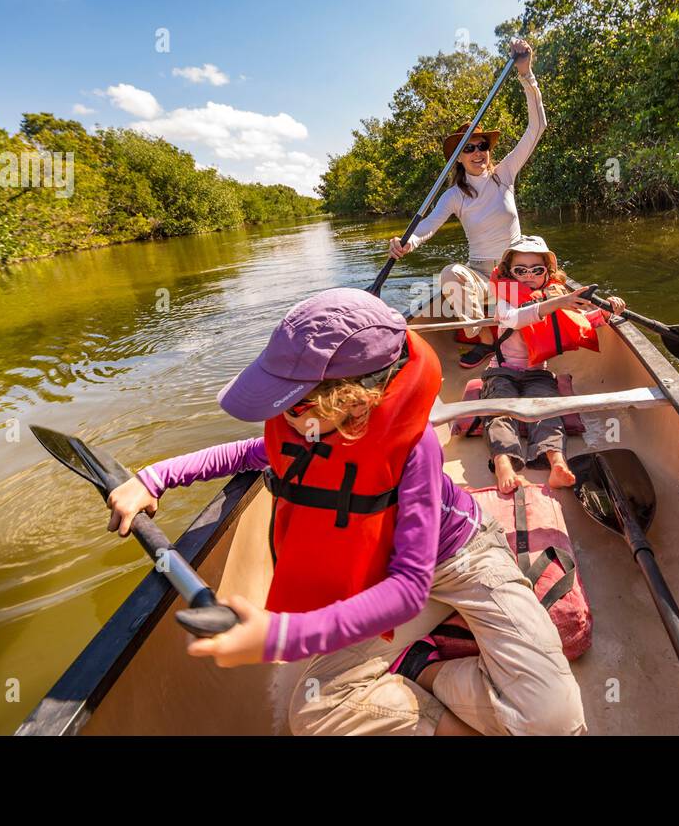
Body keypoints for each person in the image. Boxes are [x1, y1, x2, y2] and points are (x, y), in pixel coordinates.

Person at [105, 287, 586, 736]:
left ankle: (423, 666)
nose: (284, 417)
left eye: (297, 405)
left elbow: (408, 589)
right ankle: (423, 666)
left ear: (354, 402)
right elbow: (243, 454)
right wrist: (152, 478)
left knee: (554, 719)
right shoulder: (305, 427)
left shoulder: (415, 447)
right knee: (312, 710)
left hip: (460, 561)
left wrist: (280, 637)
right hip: (372, 575)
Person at [387, 38, 545, 369]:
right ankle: (488, 341)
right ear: (458, 159)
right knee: (450, 273)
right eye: (468, 149)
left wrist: (526, 75)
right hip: (481, 276)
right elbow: (428, 226)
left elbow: (537, 127)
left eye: (481, 146)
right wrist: (407, 243)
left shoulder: (505, 174)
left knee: (536, 268)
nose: (477, 153)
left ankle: (517, 327)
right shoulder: (455, 195)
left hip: (514, 270)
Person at [484, 236, 625, 494]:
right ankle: (504, 462)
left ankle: (556, 462)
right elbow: (514, 319)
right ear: (508, 273)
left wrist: (607, 311)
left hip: (538, 375)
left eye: (537, 270)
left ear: (547, 274)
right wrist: (558, 303)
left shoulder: (554, 297)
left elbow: (584, 322)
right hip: (501, 372)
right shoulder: (505, 301)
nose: (528, 276)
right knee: (500, 413)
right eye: (520, 270)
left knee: (549, 413)